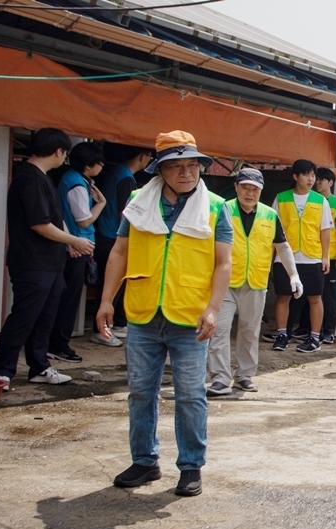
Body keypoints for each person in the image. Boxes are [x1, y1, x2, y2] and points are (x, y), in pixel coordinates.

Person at [96, 130, 231, 497]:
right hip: (142, 312)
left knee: (190, 395)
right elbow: (120, 252)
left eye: (193, 165)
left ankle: (190, 467)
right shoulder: (139, 202)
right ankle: (144, 461)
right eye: (176, 166)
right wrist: (107, 300)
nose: (186, 173)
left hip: (190, 316)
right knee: (141, 393)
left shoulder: (217, 206)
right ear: (161, 170)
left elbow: (223, 264)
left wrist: (214, 309)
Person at [0, 128, 94, 390]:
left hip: (51, 261)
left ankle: (39, 366)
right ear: (59, 151)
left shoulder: (44, 177)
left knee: (44, 316)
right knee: (24, 316)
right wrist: (73, 240)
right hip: (31, 261)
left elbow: (55, 218)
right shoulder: (29, 178)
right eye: (65, 153)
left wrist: (69, 242)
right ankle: (2, 371)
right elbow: (39, 223)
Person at [206, 168, 302, 396]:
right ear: (237, 187)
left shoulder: (270, 214)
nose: (250, 193)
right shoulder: (223, 209)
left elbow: (283, 246)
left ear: (261, 191)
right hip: (225, 282)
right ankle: (220, 378)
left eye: (255, 189)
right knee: (219, 329)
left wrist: (294, 274)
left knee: (250, 330)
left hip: (256, 282)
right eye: (245, 187)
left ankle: (244, 376)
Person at [46, 142, 107, 364]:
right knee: (69, 299)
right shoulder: (77, 185)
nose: (101, 167)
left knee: (65, 298)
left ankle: (54, 343)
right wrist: (101, 203)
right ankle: (58, 345)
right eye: (99, 163)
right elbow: (83, 220)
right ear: (90, 165)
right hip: (75, 247)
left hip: (71, 245)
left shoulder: (71, 179)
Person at [92, 144, 152, 347]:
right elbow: (125, 213)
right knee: (113, 282)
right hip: (112, 236)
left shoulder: (118, 172)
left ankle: (115, 324)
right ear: (142, 156)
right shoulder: (126, 178)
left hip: (106, 233)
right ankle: (104, 328)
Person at [269, 159, 331, 353]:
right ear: (295, 176)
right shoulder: (281, 198)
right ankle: (281, 335)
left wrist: (326, 256)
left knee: (315, 298)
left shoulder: (321, 200)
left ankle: (314, 338)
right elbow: (272, 230)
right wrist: (270, 258)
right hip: (285, 257)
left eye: (313, 175)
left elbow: (325, 230)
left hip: (312, 256)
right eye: (306, 175)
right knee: (283, 297)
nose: (311, 179)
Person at [314, 167, 336, 344]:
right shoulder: (313, 202)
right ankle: (309, 329)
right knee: (312, 295)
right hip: (312, 255)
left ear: (331, 183)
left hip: (331, 257)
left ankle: (328, 330)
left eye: (321, 179)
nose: (317, 182)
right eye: (316, 179)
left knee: (328, 296)